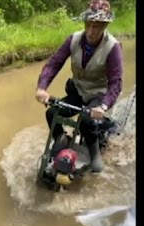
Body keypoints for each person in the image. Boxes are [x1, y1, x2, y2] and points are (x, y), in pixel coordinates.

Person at [35, 0, 123, 172]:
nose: (91, 31)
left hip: (98, 95)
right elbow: (54, 63)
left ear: (105, 26)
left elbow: (116, 82)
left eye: (97, 26)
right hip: (78, 90)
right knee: (52, 112)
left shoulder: (113, 47)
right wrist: (42, 88)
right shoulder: (73, 40)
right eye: (88, 25)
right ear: (85, 23)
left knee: (87, 122)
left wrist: (104, 105)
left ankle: (94, 152)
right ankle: (61, 138)